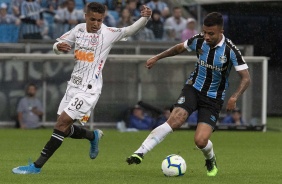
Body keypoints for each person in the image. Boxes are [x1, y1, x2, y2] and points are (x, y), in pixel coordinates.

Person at [12, 2, 152, 174]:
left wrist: (145, 18)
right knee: (63, 127)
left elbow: (129, 30)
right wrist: (58, 47)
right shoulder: (78, 29)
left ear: (103, 19)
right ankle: (92, 136)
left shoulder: (107, 33)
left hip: (89, 89)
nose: (96, 23)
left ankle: (36, 166)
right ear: (85, 16)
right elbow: (58, 44)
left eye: (99, 20)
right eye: (92, 19)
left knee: (62, 124)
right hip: (73, 85)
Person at [126, 12, 251, 177]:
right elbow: (179, 48)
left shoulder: (230, 51)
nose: (206, 36)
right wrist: (157, 57)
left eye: (210, 33)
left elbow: (246, 78)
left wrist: (234, 96)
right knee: (176, 119)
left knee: (200, 141)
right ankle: (140, 152)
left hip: (213, 98)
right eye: (204, 32)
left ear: (221, 31)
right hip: (193, 88)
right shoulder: (199, 40)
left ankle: (210, 158)